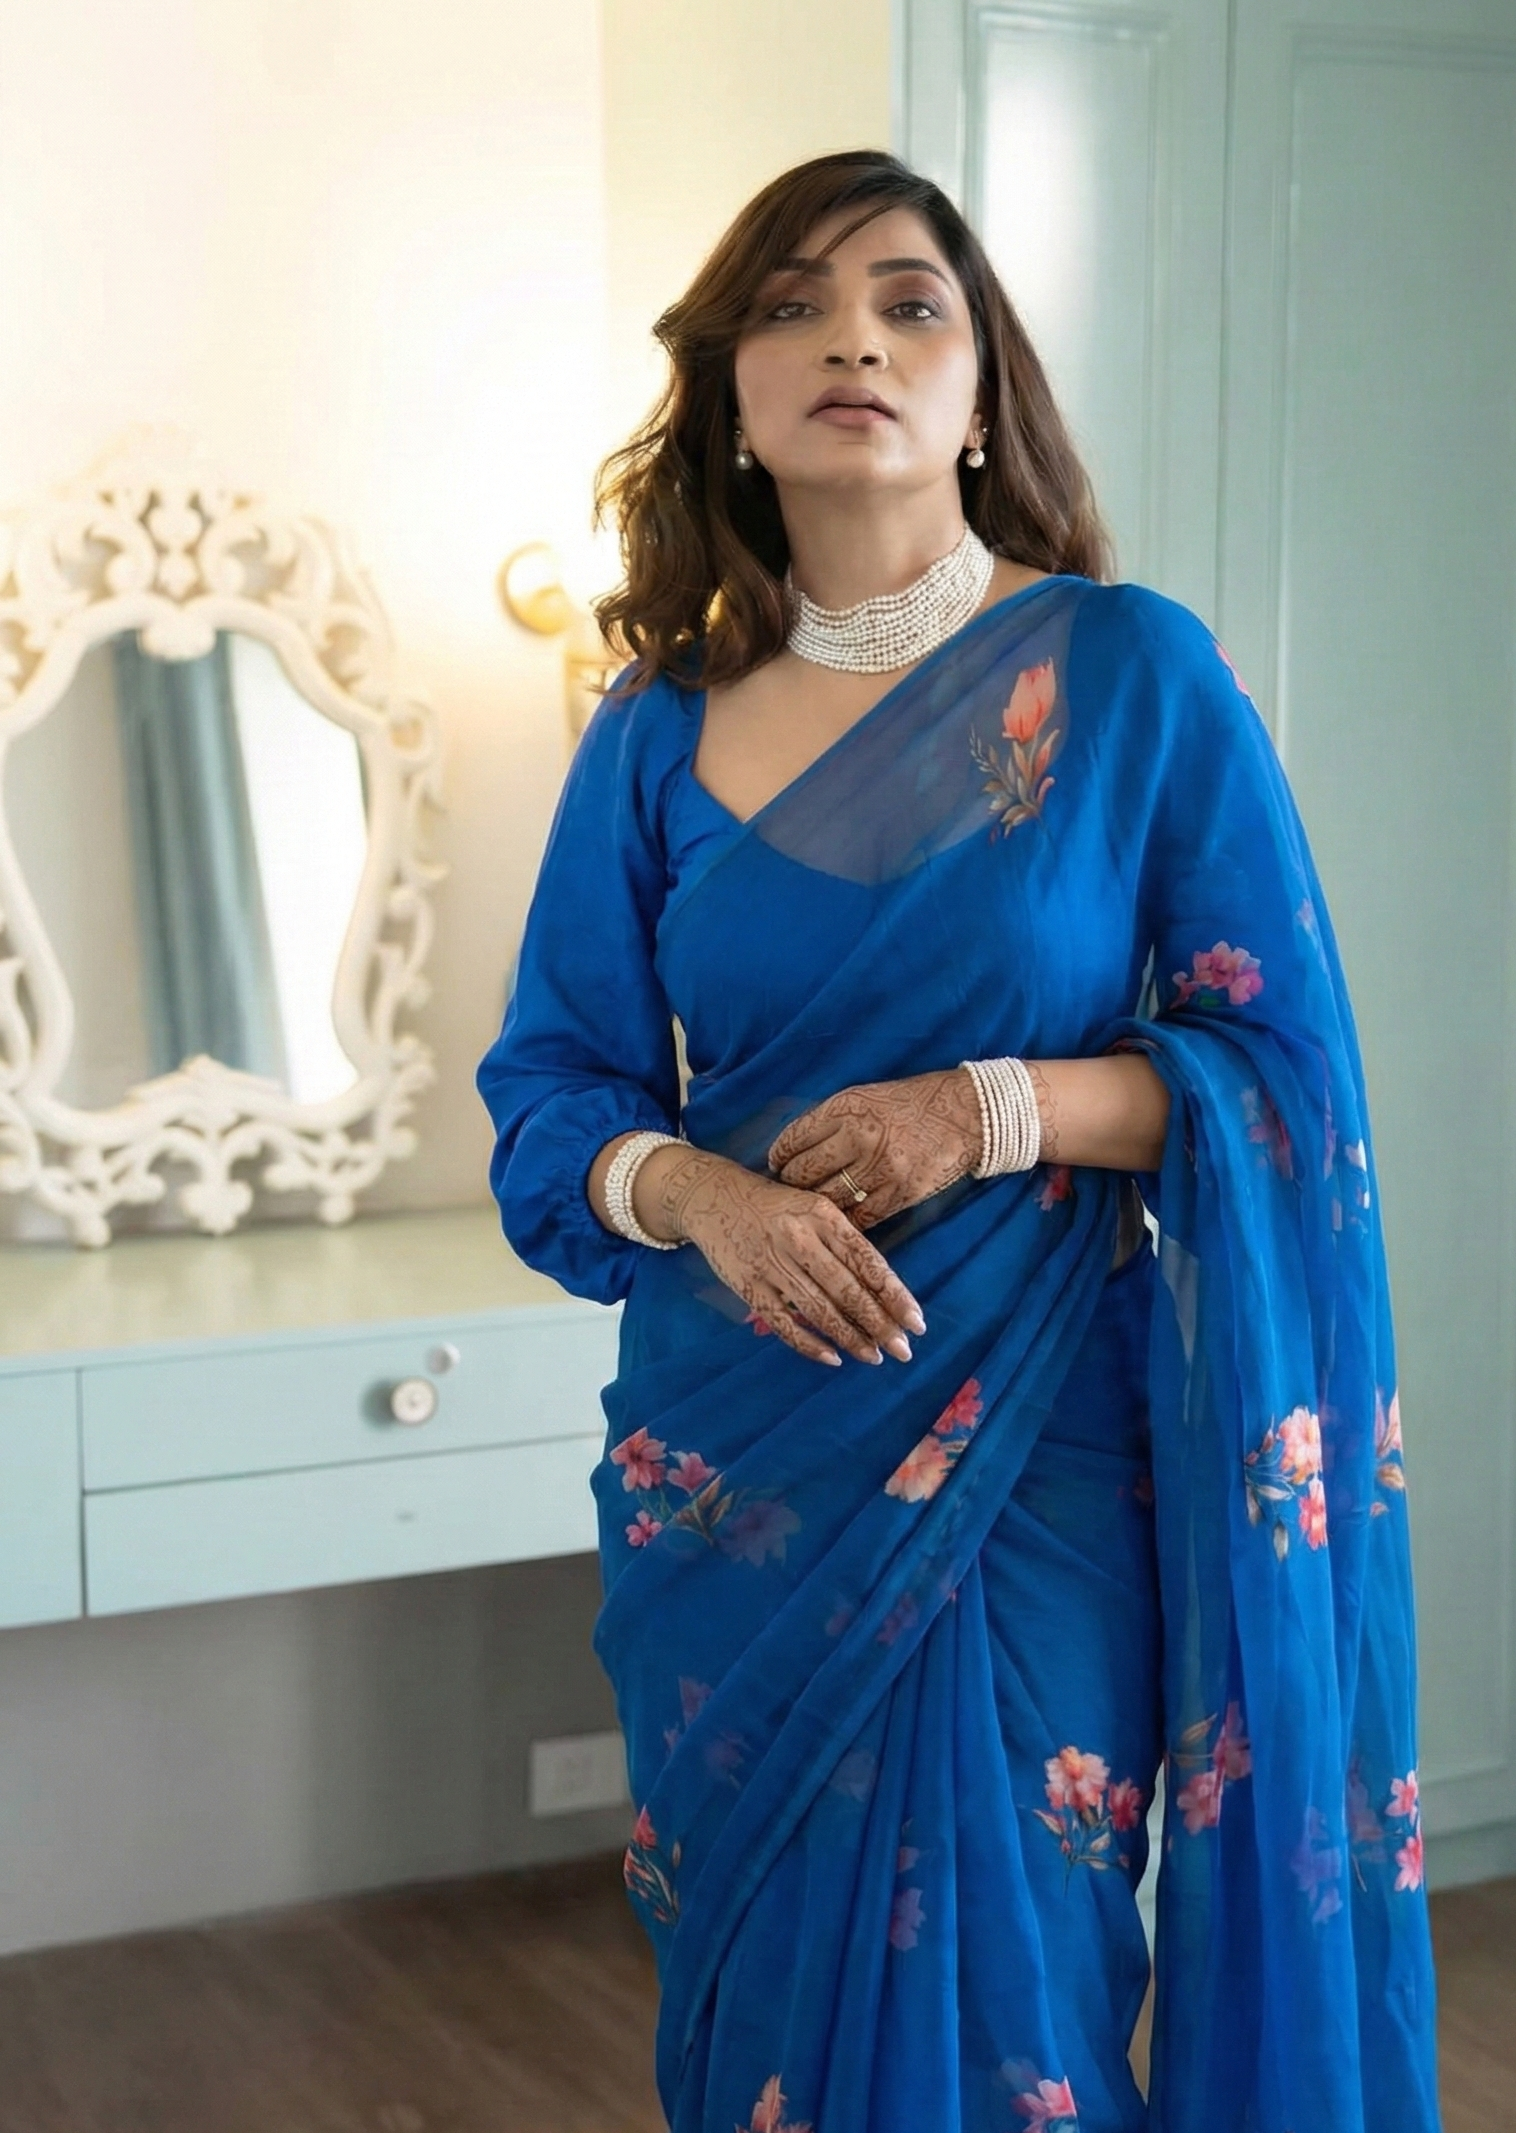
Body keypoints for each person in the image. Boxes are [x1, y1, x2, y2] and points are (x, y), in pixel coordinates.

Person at [478, 148, 1441, 2133]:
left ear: (982, 392)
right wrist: (705, 1196)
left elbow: (1282, 1077)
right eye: (792, 306)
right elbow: (554, 1097)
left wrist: (990, 1109)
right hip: (738, 1458)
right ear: (731, 397)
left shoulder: (1129, 677)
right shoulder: (651, 728)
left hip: (1036, 1459)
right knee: (766, 2004)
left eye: (909, 303)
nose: (852, 337)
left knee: (1021, 2007)